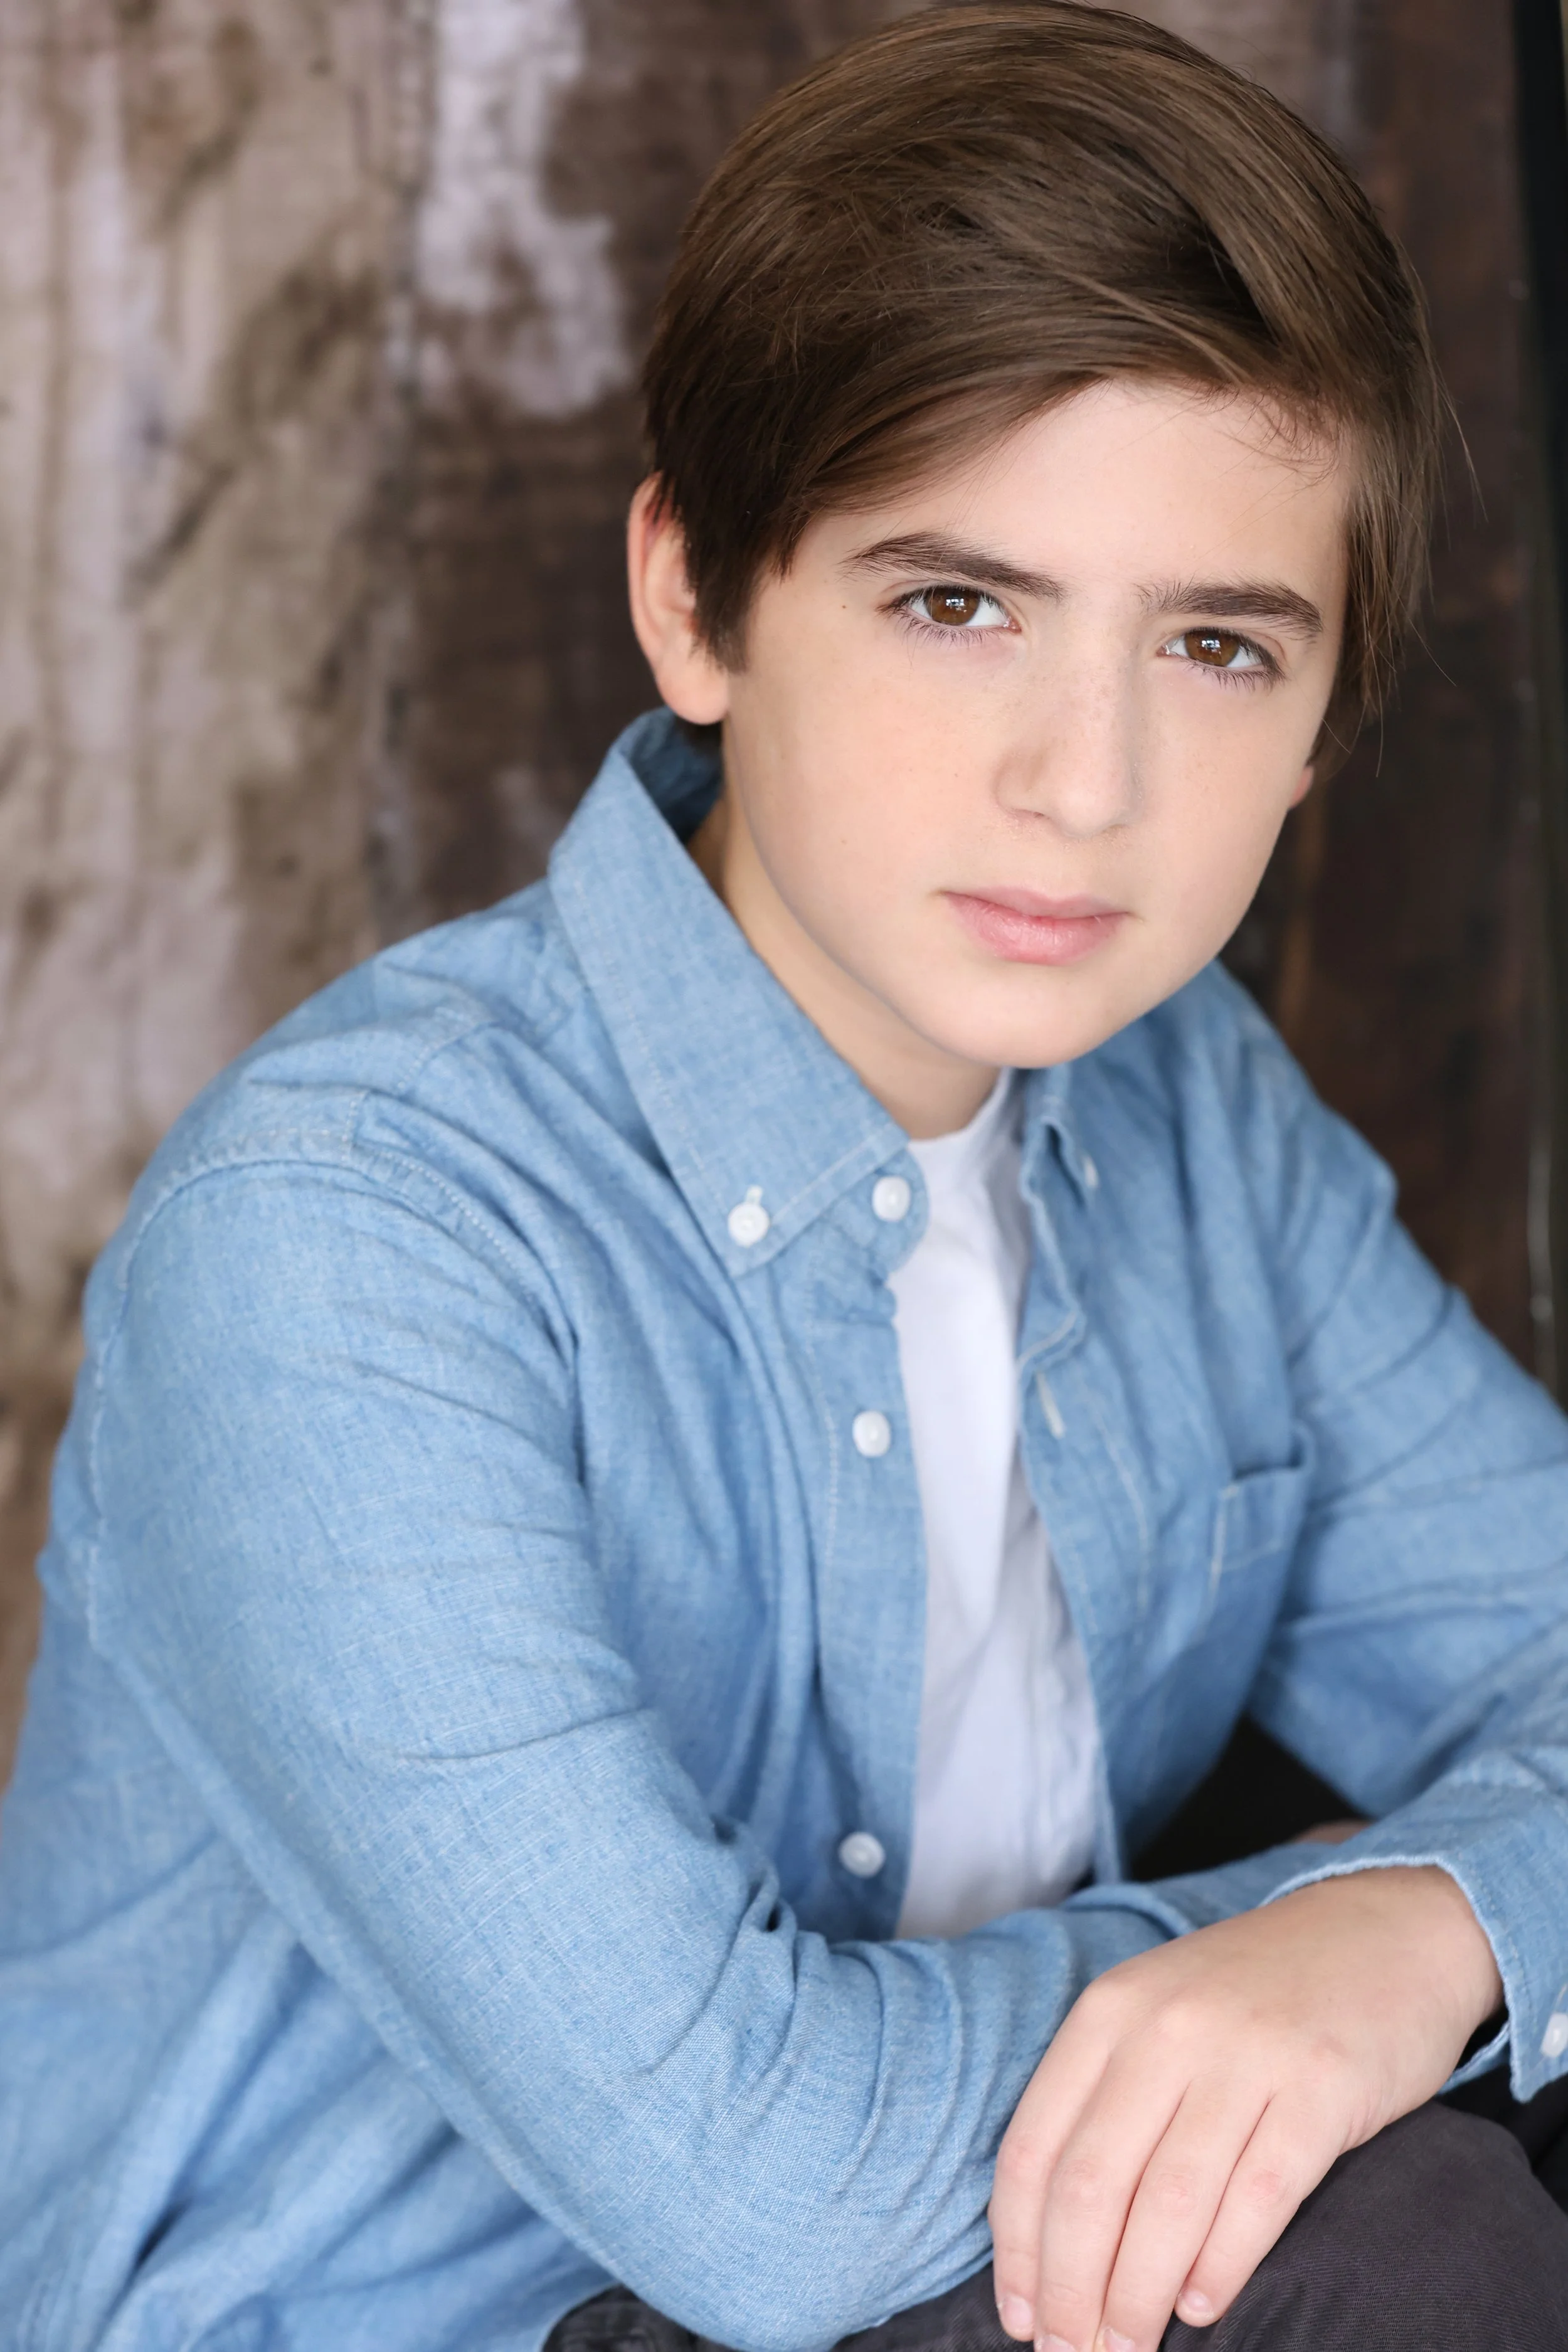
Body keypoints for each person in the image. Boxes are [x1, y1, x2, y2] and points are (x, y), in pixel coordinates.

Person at [3, 5, 1568, 2347]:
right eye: (958, 604)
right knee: (1410, 2233)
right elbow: (758, 2190)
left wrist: (1421, 1925)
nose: (1086, 781)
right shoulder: (337, 1242)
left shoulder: (1182, 1105)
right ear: (696, 601)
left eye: (1217, 644)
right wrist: (1312, 1945)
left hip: (946, 2264)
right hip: (417, 2315)